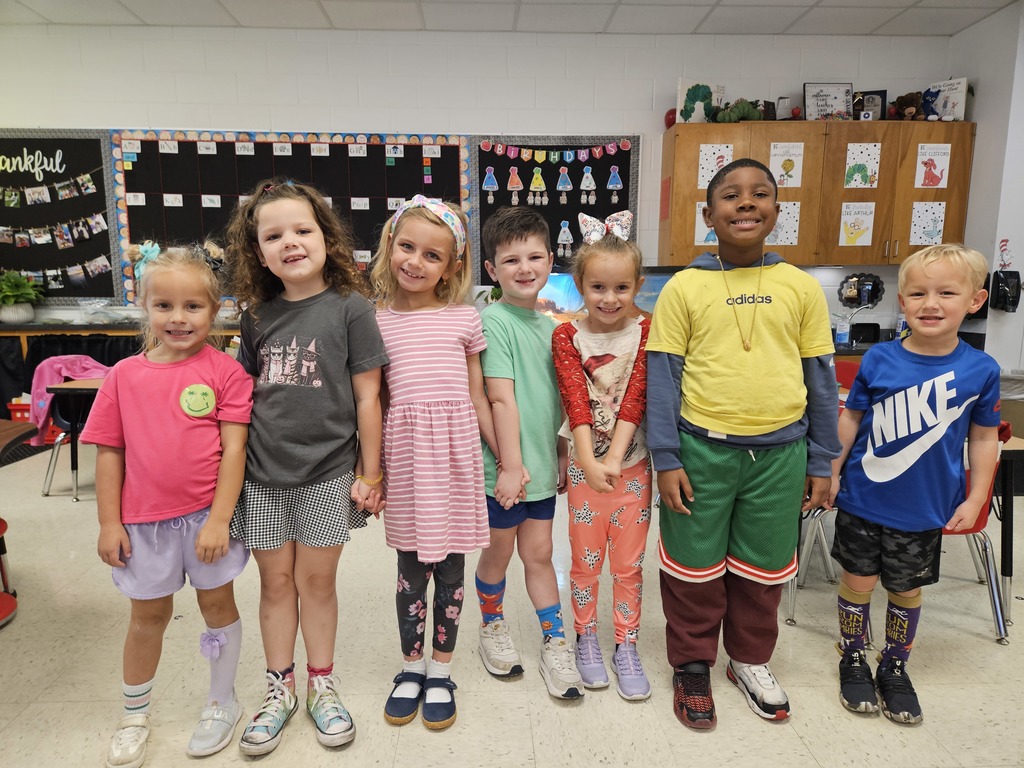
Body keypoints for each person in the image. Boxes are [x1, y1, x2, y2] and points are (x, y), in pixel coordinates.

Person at [647, 158, 840, 729]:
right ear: (709, 215)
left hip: (782, 455)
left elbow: (821, 380)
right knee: (692, 567)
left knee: (761, 569)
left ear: (777, 212)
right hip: (701, 449)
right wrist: (665, 457)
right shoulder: (684, 286)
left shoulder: (800, 287)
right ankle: (692, 666)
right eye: (731, 195)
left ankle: (750, 660)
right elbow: (662, 378)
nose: (746, 202)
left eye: (760, 194)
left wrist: (823, 459)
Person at [225, 179, 388, 755]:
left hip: (327, 475)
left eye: (302, 230)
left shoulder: (351, 308)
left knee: (316, 583)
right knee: (274, 585)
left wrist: (371, 473)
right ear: (258, 251)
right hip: (263, 479)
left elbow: (369, 397)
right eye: (273, 235)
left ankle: (322, 682)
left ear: (326, 237)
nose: (290, 242)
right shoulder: (254, 317)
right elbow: (239, 402)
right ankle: (280, 689)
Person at [83, 242, 253, 768]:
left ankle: (222, 702)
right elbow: (109, 454)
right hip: (143, 526)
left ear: (216, 308)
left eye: (193, 307)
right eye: (165, 306)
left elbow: (235, 450)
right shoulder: (122, 378)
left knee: (217, 607)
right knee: (147, 617)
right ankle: (135, 714)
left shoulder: (226, 372)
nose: (178, 319)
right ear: (145, 307)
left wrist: (220, 520)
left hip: (206, 520)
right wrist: (109, 522)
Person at [827, 243, 1000, 725]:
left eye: (947, 292)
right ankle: (854, 655)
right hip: (862, 499)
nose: (931, 303)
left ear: (974, 300)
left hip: (924, 507)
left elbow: (985, 439)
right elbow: (851, 420)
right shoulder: (879, 360)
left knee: (905, 590)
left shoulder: (980, 370)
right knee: (856, 581)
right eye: (918, 293)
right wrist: (833, 471)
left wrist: (976, 494)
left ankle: (895, 665)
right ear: (901, 301)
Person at [369, 195, 497, 730]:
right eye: (407, 247)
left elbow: (479, 396)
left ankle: (441, 670)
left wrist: (506, 461)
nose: (415, 262)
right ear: (389, 246)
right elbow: (371, 402)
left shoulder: (465, 319)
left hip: (456, 460)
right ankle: (410, 666)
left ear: (452, 266)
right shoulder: (374, 321)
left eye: (432, 255)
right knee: (408, 572)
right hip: (405, 458)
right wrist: (369, 471)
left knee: (450, 571)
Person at [475, 205, 584, 699]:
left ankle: (554, 641)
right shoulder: (493, 322)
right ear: (492, 271)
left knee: (539, 554)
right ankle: (492, 625)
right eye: (511, 259)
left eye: (534, 256)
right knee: (498, 553)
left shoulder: (554, 328)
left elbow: (559, 399)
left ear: (549, 263)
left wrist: (560, 453)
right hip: (506, 469)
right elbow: (498, 397)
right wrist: (511, 466)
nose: (525, 267)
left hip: (539, 465)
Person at [551, 211, 653, 701]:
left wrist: (614, 459)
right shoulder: (566, 336)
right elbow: (575, 399)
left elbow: (637, 393)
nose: (609, 299)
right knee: (585, 562)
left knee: (628, 566)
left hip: (633, 468)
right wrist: (589, 463)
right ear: (580, 285)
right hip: (583, 468)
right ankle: (586, 637)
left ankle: (625, 644)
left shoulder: (648, 331)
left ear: (637, 285)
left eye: (621, 288)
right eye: (597, 288)